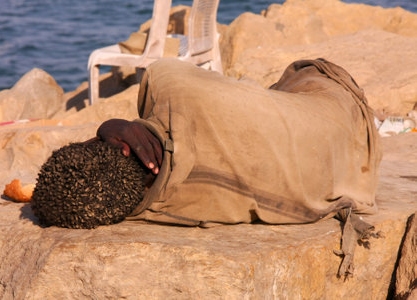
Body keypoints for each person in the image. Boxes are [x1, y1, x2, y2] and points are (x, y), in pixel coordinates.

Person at [33, 58, 383, 277]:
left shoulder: (174, 210)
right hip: (336, 98)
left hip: (356, 163)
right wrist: (110, 122)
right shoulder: (166, 82)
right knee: (280, 82)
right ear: (118, 144)